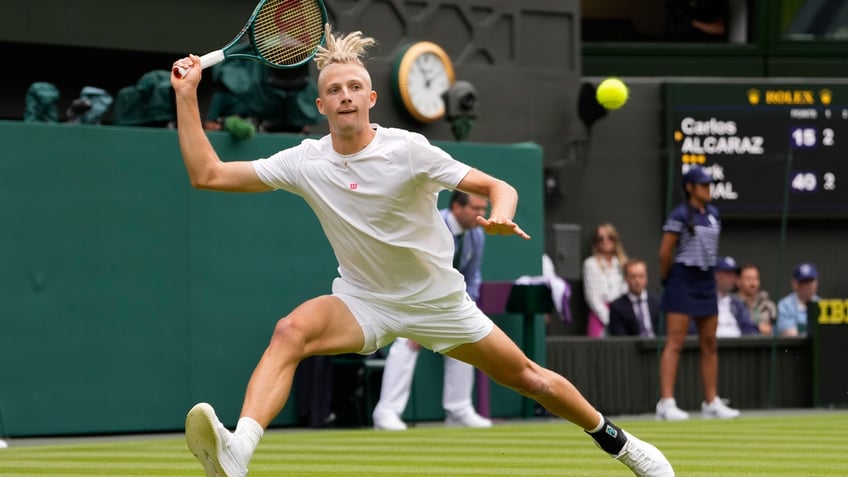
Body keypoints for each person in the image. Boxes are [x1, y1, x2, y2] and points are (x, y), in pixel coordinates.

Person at [171, 24, 673, 477]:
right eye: (332, 90)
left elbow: (497, 184)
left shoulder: (408, 150)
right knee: (291, 331)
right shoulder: (305, 162)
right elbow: (207, 174)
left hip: (438, 303)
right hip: (364, 300)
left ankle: (622, 445)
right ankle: (238, 451)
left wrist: (501, 211)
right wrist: (188, 96)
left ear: (370, 98)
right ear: (320, 106)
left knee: (531, 380)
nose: (344, 96)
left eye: (352, 88)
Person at [372, 191, 492, 430]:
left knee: (467, 340)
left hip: (449, 302)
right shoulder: (430, 227)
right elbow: (417, 272)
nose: (481, 215)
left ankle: (459, 410)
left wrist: (470, 307)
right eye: (475, 209)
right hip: (410, 297)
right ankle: (386, 413)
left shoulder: (477, 234)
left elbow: (472, 275)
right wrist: (421, 318)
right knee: (405, 344)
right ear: (456, 207)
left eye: (483, 209)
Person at [656, 165, 739, 421]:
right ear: (690, 188)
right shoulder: (679, 215)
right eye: (703, 184)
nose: (707, 188)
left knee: (709, 343)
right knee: (675, 342)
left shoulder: (714, 214)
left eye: (709, 184)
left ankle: (711, 401)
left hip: (705, 281)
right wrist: (668, 279)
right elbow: (664, 253)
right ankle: (666, 403)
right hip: (682, 280)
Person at [582, 223, 628, 337]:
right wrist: (609, 318)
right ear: (596, 242)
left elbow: (626, 290)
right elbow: (592, 297)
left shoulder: (623, 263)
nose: (605, 241)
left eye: (610, 238)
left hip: (622, 314)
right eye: (600, 238)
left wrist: (619, 315)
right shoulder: (590, 264)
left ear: (615, 241)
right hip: (599, 316)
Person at [608, 258, 661, 337]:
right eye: (633, 277)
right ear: (626, 279)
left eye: (641, 276)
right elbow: (619, 337)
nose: (637, 281)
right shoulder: (617, 306)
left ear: (646, 278)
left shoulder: (658, 302)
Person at [713, 256, 759, 338]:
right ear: (716, 275)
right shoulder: (703, 301)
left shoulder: (737, 304)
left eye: (734, 274)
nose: (731, 278)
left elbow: (749, 328)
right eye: (727, 273)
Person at [776, 263, 821, 337]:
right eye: (805, 282)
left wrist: (801, 328)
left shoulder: (821, 304)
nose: (809, 286)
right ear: (795, 284)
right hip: (793, 348)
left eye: (811, 282)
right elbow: (789, 333)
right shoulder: (785, 305)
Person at [734, 262, 777, 335]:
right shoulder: (731, 303)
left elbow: (775, 328)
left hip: (764, 344)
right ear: (738, 281)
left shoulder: (767, 303)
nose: (753, 283)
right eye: (748, 279)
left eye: (756, 278)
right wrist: (757, 328)